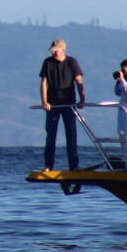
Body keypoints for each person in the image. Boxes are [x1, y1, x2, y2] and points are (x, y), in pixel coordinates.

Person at [39, 38, 85, 171]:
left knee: (71, 134)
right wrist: (44, 101)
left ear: (63, 50)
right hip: (53, 104)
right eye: (52, 51)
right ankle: (48, 165)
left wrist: (82, 100)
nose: (53, 53)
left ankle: (74, 165)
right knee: (51, 135)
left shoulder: (72, 62)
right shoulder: (48, 63)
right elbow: (43, 83)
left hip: (68, 103)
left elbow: (79, 82)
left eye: (56, 51)